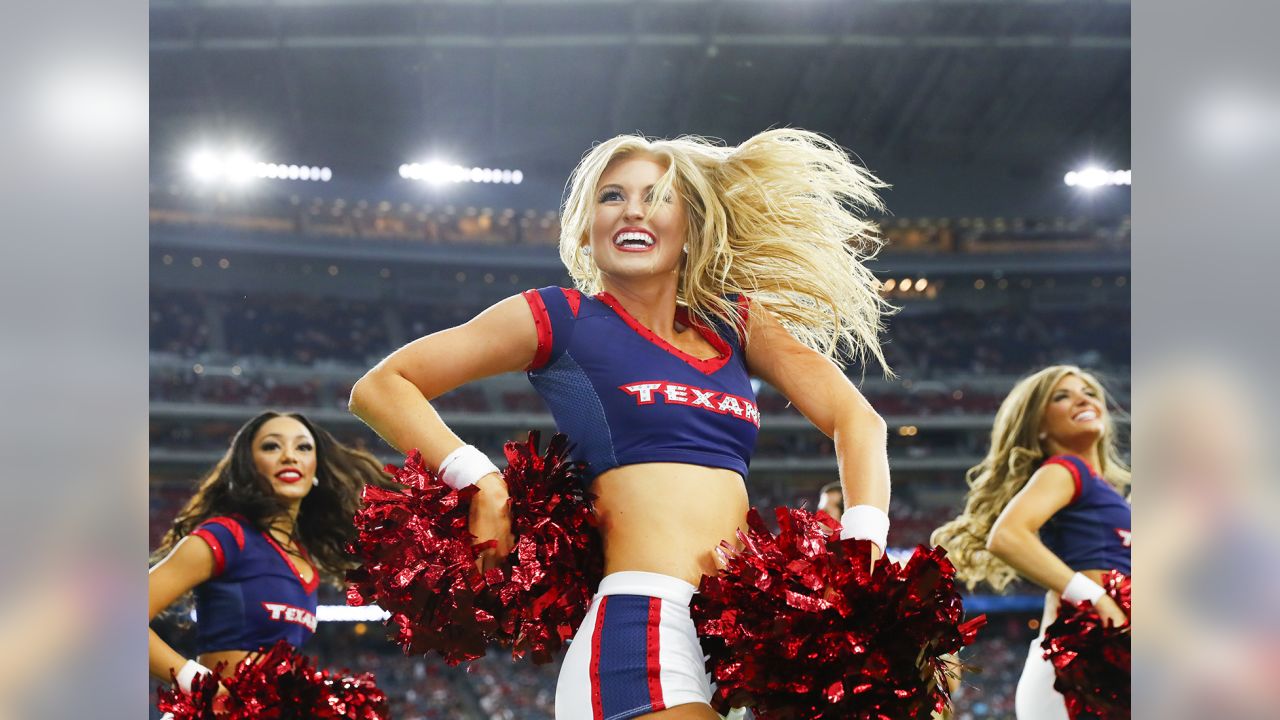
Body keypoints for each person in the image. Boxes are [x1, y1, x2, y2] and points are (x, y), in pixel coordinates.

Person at [349, 129, 894, 720]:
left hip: (739, 643)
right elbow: (381, 387)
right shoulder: (562, 317)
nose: (633, 209)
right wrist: (481, 479)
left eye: (658, 196)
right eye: (612, 196)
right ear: (586, 227)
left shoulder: (735, 324)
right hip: (641, 628)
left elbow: (857, 420)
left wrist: (862, 542)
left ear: (691, 227)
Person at [931, 366, 1131, 720]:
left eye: (1088, 391)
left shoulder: (1107, 492)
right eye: (1062, 395)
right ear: (1039, 424)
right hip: (1076, 661)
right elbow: (1007, 536)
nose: (1082, 398)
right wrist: (1095, 597)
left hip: (1108, 659)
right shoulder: (1065, 470)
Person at [148, 411, 391, 699]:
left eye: (303, 447)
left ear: (316, 469)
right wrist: (201, 686)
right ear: (249, 465)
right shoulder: (226, 537)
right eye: (271, 446)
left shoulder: (305, 563)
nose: (289, 456)